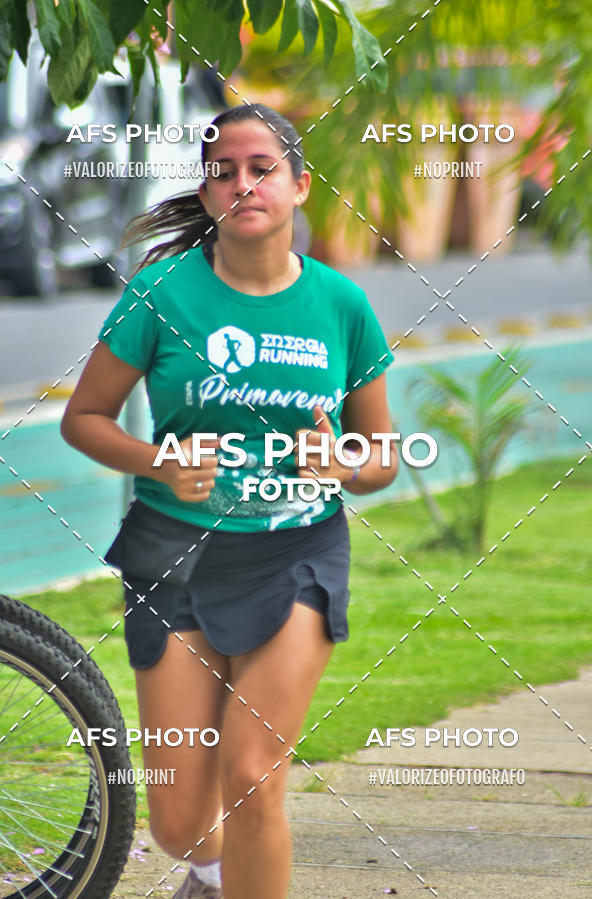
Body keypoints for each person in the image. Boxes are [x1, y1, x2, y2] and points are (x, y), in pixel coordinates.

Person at [61, 103, 398, 899]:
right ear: (207, 192)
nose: (243, 183)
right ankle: (209, 876)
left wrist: (342, 463)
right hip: (171, 551)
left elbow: (382, 454)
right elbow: (84, 418)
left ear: (300, 185)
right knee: (178, 822)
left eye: (262, 168)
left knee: (253, 777)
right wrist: (158, 461)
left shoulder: (341, 305)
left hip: (295, 553)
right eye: (223, 172)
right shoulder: (160, 294)